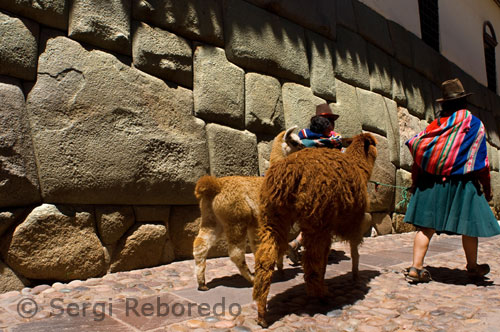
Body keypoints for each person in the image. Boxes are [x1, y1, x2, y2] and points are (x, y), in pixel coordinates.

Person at [403, 78, 500, 283]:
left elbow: (420, 157)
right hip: (463, 184)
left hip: (431, 183)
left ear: (444, 104)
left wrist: (415, 182)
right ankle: (472, 267)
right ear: (464, 102)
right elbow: (481, 162)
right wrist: (487, 188)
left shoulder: (434, 126)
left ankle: (416, 267)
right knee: (469, 227)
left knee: (426, 227)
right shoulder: (474, 124)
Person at [287, 103, 343, 265]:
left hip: (304, 182)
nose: (333, 124)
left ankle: (302, 245)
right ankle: (302, 245)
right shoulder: (333, 141)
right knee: (323, 219)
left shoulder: (303, 137)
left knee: (314, 218)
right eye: (331, 120)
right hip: (323, 184)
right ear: (325, 122)